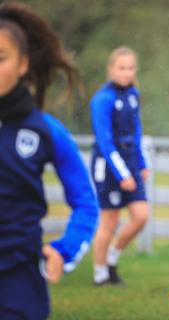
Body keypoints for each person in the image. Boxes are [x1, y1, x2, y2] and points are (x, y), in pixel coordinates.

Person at [0, 2, 99, 319]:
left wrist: (64, 250)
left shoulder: (46, 131)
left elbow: (86, 203)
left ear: (23, 63)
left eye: (0, 58)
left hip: (20, 285)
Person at [90, 47, 149, 286]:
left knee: (141, 216)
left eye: (130, 68)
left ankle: (112, 258)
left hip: (131, 162)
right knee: (110, 221)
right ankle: (100, 274)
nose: (126, 72)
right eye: (121, 68)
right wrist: (122, 173)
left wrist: (141, 163)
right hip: (108, 166)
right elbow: (105, 142)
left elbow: (136, 132)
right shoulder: (102, 99)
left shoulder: (133, 94)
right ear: (111, 69)